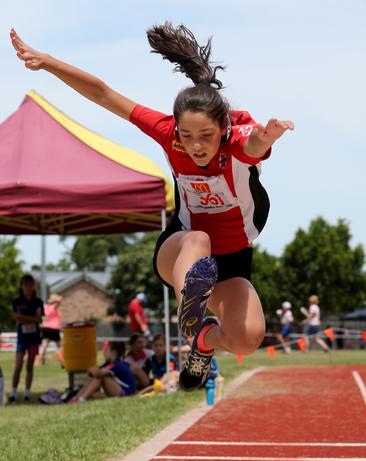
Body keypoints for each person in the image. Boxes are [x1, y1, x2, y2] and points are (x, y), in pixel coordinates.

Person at [10, 23, 294, 391]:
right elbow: (102, 94)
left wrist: (265, 136)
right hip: (180, 251)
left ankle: (203, 340)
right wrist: (48, 62)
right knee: (198, 241)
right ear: (175, 129)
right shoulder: (166, 133)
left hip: (233, 257)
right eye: (187, 136)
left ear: (222, 128)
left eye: (206, 136)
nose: (196, 146)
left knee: (248, 338)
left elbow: (252, 145)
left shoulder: (236, 136)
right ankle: (190, 314)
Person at [9, 274, 44, 403]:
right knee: (18, 365)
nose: (28, 288)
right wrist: (31, 318)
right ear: (22, 286)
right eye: (26, 285)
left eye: (30, 285)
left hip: (34, 338)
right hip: (22, 338)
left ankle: (27, 393)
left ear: (33, 286)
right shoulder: (16, 301)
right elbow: (15, 317)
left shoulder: (38, 302)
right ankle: (13, 393)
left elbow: (40, 319)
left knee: (30, 366)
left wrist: (23, 318)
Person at [69, 341, 136, 403]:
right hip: (118, 391)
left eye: (106, 350)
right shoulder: (108, 364)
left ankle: (81, 400)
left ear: (113, 352)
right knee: (93, 394)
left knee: (101, 377)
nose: (104, 352)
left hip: (127, 395)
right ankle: (76, 398)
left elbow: (97, 373)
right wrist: (93, 370)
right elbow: (92, 372)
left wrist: (93, 370)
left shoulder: (117, 364)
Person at [37, 294, 63, 366]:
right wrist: (56, 300)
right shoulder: (54, 307)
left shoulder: (44, 307)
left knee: (44, 344)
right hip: (54, 328)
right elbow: (60, 301)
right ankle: (61, 359)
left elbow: (41, 316)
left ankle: (40, 359)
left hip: (45, 327)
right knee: (59, 346)